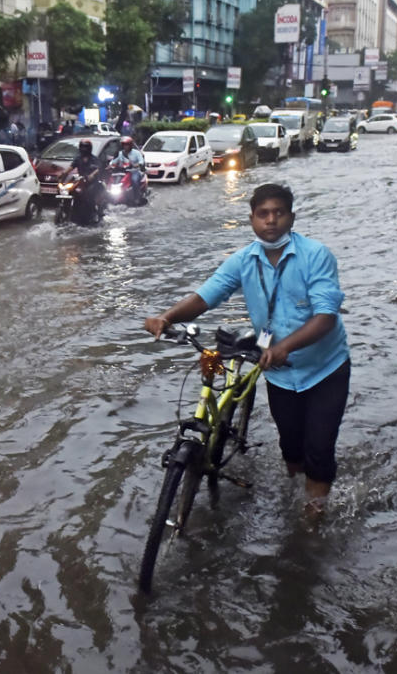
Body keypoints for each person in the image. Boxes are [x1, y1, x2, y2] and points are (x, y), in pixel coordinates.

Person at [144, 183, 351, 524]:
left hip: (325, 369)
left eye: (279, 213)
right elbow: (204, 297)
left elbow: (326, 318)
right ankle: (296, 490)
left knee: (320, 448)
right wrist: (166, 317)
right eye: (263, 214)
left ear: (292, 217)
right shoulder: (242, 261)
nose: (271, 221)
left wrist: (285, 346)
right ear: (252, 219)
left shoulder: (316, 256)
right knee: (291, 447)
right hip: (280, 374)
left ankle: (313, 520)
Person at [63, 138, 105, 214]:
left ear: (89, 148)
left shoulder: (94, 159)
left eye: (85, 147)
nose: (83, 149)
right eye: (82, 147)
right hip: (81, 180)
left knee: (89, 193)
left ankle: (93, 212)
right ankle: (67, 210)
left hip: (92, 182)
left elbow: (99, 169)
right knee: (69, 191)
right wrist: (63, 174)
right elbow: (71, 168)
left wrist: (92, 175)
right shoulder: (78, 159)